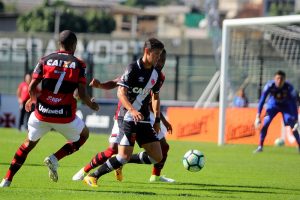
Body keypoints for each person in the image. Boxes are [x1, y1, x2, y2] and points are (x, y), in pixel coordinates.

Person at [0, 30, 99, 188]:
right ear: (74, 45)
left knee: (27, 145)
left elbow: (32, 86)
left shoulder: (45, 60)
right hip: (65, 116)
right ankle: (55, 158)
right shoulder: (79, 64)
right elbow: (82, 93)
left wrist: (32, 100)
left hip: (42, 114)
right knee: (84, 135)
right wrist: (92, 105)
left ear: (59, 44)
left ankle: (7, 179)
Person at [72, 49, 175, 183]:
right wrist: (100, 85)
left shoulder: (158, 77)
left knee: (163, 148)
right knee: (113, 150)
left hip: (144, 115)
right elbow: (117, 83)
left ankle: (155, 176)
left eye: (163, 60)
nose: (160, 62)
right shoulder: (137, 70)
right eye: (158, 58)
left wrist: (161, 121)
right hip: (125, 114)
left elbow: (153, 101)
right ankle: (85, 171)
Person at [253, 70, 300, 153]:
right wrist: (258, 115)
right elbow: (262, 100)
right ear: (274, 79)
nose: (279, 81)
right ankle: (260, 146)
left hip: (286, 106)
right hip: (273, 105)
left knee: (292, 124)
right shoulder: (269, 85)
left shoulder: (289, 87)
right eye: (277, 78)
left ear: (284, 79)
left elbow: (293, 103)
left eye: (281, 79)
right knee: (266, 122)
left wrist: (296, 119)